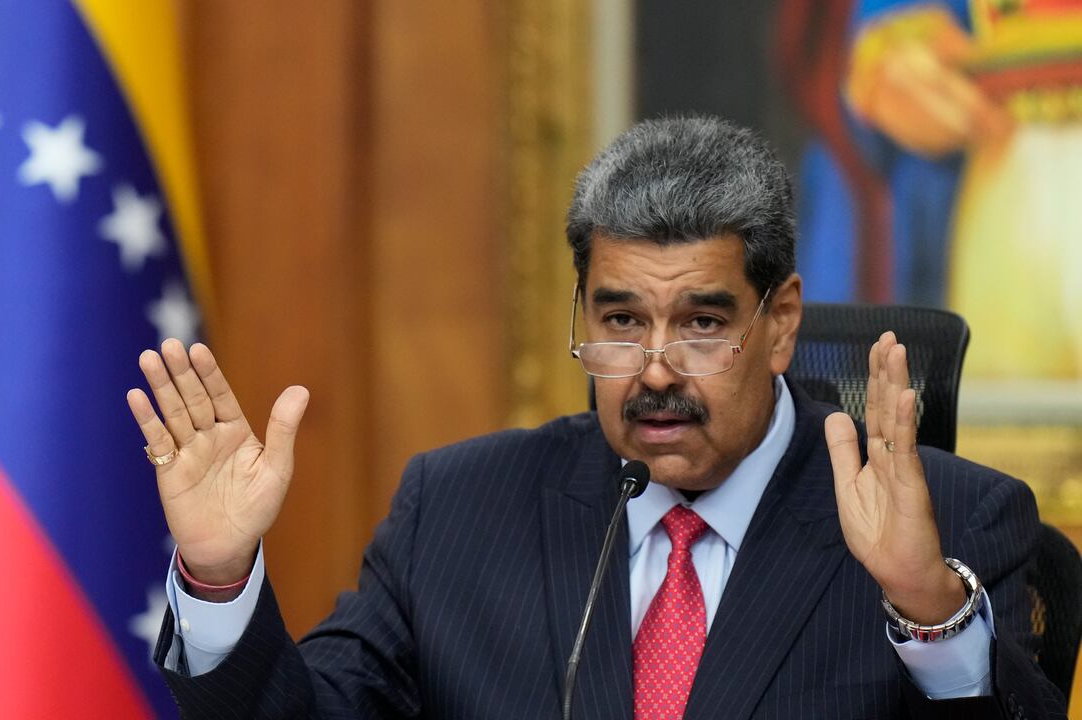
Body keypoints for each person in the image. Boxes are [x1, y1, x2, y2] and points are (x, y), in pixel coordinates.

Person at [127, 116, 1067, 719]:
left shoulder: (954, 524)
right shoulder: (458, 511)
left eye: (702, 324)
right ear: (580, 314)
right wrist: (218, 581)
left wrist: (929, 612)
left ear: (779, 323)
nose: (654, 371)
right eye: (620, 322)